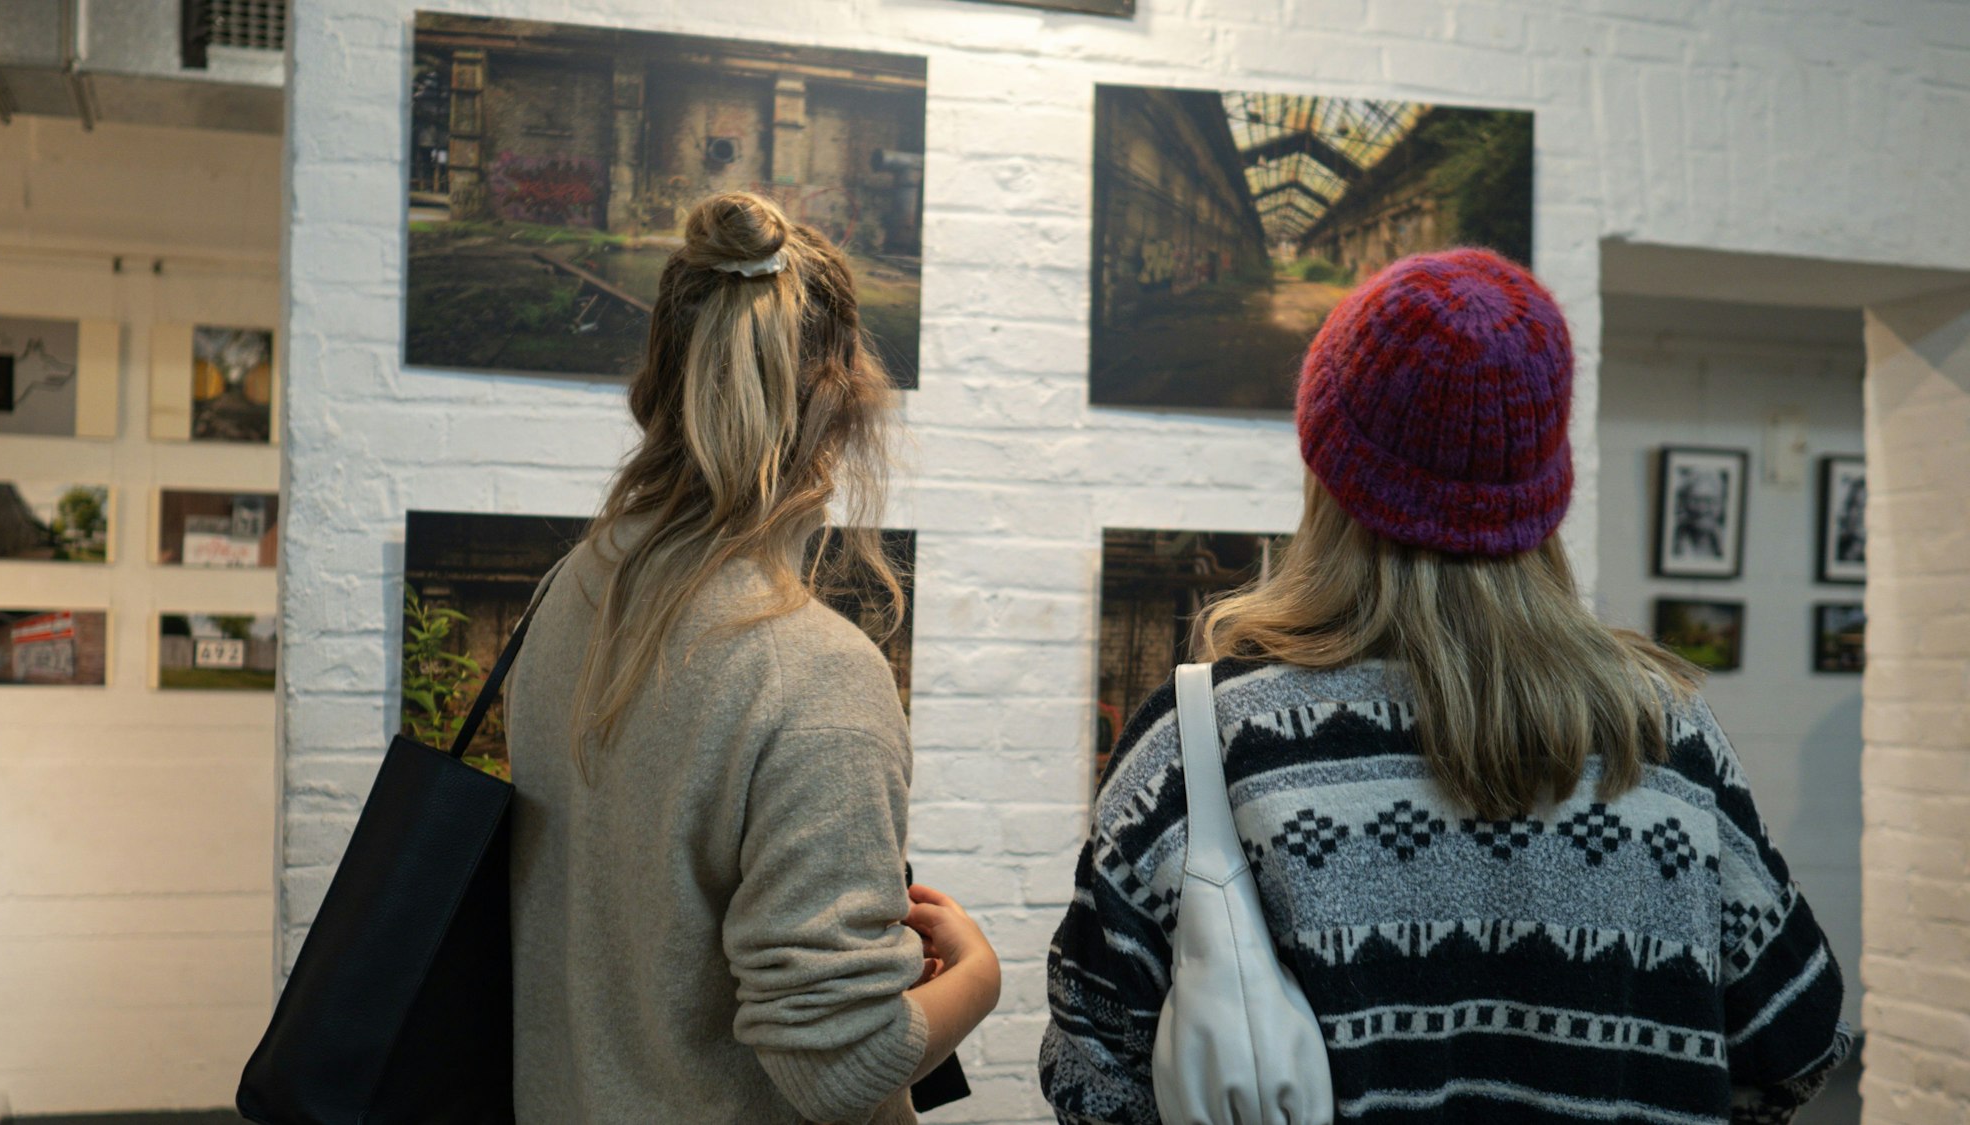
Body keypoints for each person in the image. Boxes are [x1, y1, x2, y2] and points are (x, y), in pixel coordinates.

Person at [1041, 249, 1851, 1124]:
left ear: (1327, 469)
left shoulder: (1207, 745)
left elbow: (1091, 1073)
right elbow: (1798, 1040)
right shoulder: (1663, 738)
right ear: (1541, 493)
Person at [507, 192, 999, 1123]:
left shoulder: (567, 592)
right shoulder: (812, 673)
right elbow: (839, 1069)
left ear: (659, 380)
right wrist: (979, 973)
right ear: (844, 403)